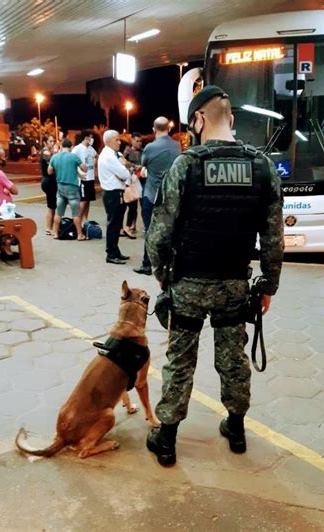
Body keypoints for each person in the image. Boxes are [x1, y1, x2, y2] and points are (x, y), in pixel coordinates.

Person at [145, 86, 284, 466]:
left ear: (199, 119)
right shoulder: (262, 167)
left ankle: (168, 439)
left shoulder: (186, 165)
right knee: (233, 358)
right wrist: (269, 285)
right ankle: (236, 428)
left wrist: (161, 274)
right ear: (232, 119)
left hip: (188, 282)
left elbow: (159, 231)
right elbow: (273, 236)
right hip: (235, 285)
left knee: (180, 360)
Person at [133, 116, 181, 276]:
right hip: (171, 197)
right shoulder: (177, 146)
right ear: (169, 128)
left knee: (149, 230)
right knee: (170, 231)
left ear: (154, 129)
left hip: (152, 195)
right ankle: (168, 264)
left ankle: (148, 265)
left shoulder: (150, 148)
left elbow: (142, 166)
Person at [97, 130, 131, 264]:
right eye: (117, 140)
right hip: (112, 193)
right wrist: (124, 168)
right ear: (109, 141)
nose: (119, 142)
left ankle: (115, 251)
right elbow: (124, 174)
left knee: (117, 224)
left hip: (116, 193)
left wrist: (124, 168)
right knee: (113, 224)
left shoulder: (113, 154)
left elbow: (124, 170)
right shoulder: (109, 156)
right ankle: (111, 254)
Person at [48, 138, 88, 241]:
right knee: (76, 213)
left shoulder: (55, 157)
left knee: (58, 212)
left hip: (60, 187)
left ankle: (56, 233)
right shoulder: (74, 157)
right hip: (72, 188)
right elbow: (84, 169)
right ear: (71, 147)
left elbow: (50, 171)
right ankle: (80, 234)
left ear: (61, 146)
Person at [72, 129, 97, 223]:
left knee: (88, 200)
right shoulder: (77, 149)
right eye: (90, 137)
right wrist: (78, 174)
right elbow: (71, 162)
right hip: (83, 179)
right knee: (83, 201)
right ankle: (78, 221)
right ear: (86, 138)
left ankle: (85, 220)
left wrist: (95, 163)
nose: (92, 139)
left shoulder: (91, 148)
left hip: (90, 178)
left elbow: (96, 156)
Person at [119, 140, 138, 239]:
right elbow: (125, 164)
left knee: (126, 208)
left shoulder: (123, 157)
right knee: (131, 207)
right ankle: (126, 227)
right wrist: (133, 166)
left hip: (127, 185)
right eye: (126, 149)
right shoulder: (119, 157)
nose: (128, 151)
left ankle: (123, 228)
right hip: (124, 186)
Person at [40, 134, 57, 235]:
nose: (52, 143)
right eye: (50, 141)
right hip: (49, 181)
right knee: (51, 206)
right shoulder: (45, 152)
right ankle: (48, 228)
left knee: (53, 206)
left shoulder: (49, 152)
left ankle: (50, 227)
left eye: (53, 141)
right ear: (45, 142)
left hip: (50, 181)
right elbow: (51, 161)